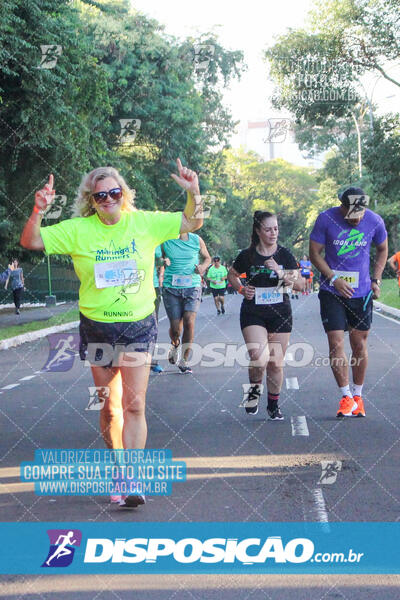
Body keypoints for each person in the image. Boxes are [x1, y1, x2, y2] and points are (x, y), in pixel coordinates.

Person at [20, 159, 204, 508]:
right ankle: (118, 469)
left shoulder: (146, 222)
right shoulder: (77, 229)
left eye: (114, 192)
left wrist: (194, 192)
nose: (108, 199)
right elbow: (30, 241)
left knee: (135, 404)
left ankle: (131, 477)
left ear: (124, 194)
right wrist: (38, 209)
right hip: (98, 326)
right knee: (110, 407)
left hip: (137, 323)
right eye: (100, 195)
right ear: (91, 200)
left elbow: (194, 221)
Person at [309, 186, 388, 418]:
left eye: (360, 214)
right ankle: (345, 397)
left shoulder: (374, 221)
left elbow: (383, 249)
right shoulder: (326, 219)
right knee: (336, 343)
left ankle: (358, 396)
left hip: (361, 293)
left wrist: (377, 279)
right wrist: (333, 279)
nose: (356, 219)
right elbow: (314, 253)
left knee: (359, 345)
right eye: (352, 214)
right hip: (332, 291)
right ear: (341, 207)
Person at [228, 211, 303, 420]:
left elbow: (299, 285)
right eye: (268, 229)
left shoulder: (284, 255)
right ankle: (253, 392)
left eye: (276, 229)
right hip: (254, 312)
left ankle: (273, 404)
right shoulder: (247, 256)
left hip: (280, 313)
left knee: (275, 363)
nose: (273, 233)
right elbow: (232, 275)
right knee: (258, 358)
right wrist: (242, 289)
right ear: (258, 231)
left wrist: (280, 271)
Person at [162, 232, 211, 374]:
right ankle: (175, 344)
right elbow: (157, 256)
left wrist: (202, 268)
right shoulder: (165, 240)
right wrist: (162, 260)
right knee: (176, 328)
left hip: (192, 286)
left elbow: (207, 258)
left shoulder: (196, 239)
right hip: (171, 288)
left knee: (189, 321)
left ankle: (184, 360)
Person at [150, 245, 165, 373]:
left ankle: (152, 361)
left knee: (152, 324)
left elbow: (159, 260)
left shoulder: (154, 236)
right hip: (129, 288)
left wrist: (164, 262)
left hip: (151, 286)